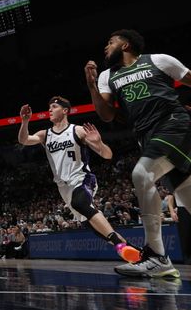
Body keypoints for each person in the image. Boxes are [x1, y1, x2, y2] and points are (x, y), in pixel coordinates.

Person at [85, 29, 191, 279]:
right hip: (147, 136)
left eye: (110, 42)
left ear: (126, 44)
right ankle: (159, 261)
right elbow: (107, 115)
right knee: (187, 194)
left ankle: (156, 256)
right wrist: (91, 86)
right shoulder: (106, 76)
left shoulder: (158, 60)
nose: (105, 47)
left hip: (173, 123)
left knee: (141, 174)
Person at [18, 97, 140, 263]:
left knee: (80, 203)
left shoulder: (78, 131)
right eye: (49, 107)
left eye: (54, 107)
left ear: (65, 110)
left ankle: (119, 244)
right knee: (92, 226)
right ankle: (135, 253)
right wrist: (25, 121)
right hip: (64, 188)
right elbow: (24, 140)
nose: (50, 110)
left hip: (83, 179)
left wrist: (99, 143)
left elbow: (107, 155)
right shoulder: (45, 135)